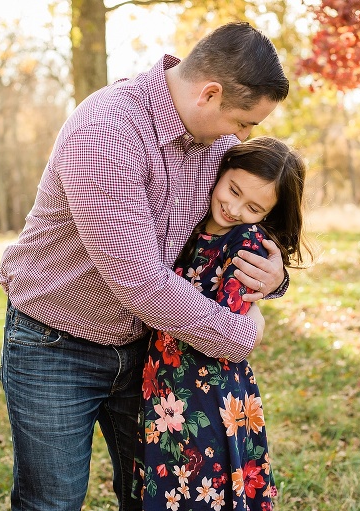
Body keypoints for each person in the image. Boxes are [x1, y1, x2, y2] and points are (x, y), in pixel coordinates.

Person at [0, 22, 289, 511]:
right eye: (244, 122)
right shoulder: (108, 128)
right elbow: (140, 280)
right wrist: (239, 335)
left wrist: (273, 279)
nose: (242, 136)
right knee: (52, 502)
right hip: (55, 342)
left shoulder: (215, 146)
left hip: (149, 348)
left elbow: (234, 226)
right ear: (209, 94)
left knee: (152, 496)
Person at [132, 136, 310, 511]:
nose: (233, 207)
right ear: (222, 168)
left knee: (201, 492)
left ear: (269, 213)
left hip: (208, 391)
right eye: (232, 190)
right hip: (164, 386)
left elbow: (232, 318)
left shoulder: (245, 241)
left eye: (254, 207)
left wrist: (264, 302)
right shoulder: (191, 225)